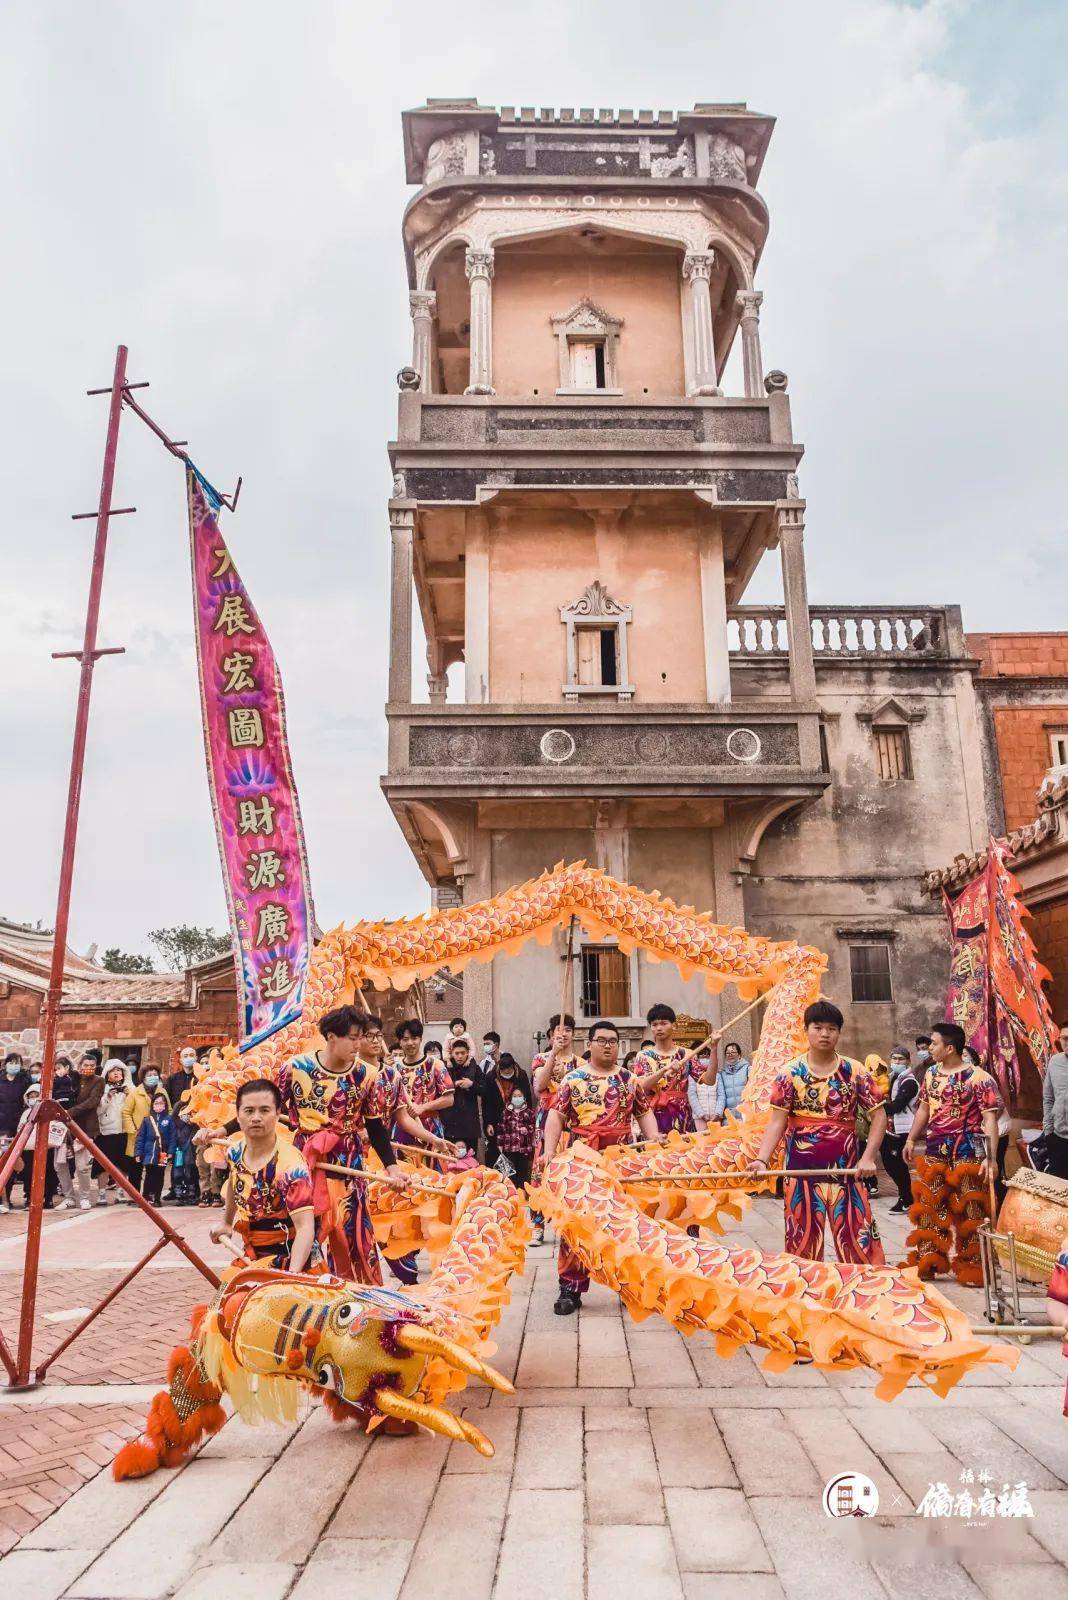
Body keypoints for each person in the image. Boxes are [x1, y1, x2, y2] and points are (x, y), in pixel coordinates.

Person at [747, 999, 887, 1266]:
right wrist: (762, 1159)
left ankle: (865, 1293)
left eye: (832, 1028)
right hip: (801, 1173)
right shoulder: (789, 1073)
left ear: (839, 1033)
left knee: (859, 1240)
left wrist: (868, 1157)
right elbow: (777, 1121)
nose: (825, 1034)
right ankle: (807, 1296)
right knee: (802, 1243)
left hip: (847, 1171)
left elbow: (879, 1116)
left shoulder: (855, 1071)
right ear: (806, 1030)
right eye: (818, 1027)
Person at [274, 1006, 408, 1284]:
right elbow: (267, 1107)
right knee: (303, 1236)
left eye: (361, 1038)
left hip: (349, 1167)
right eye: (353, 1037)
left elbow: (374, 1125)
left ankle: (359, 1299)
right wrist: (222, 1129)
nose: (358, 1044)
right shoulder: (295, 1068)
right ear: (331, 1037)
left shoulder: (367, 1076)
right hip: (305, 1165)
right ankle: (302, 1291)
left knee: (356, 1240)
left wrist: (392, 1168)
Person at [543, 1019, 660, 1314]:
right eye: (602, 1040)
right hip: (581, 1155)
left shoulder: (629, 1080)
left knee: (625, 1221)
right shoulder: (573, 1079)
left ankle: (629, 1284)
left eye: (612, 1041)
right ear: (589, 1044)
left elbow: (644, 1113)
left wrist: (656, 1142)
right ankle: (570, 1287)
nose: (608, 1045)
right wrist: (548, 1153)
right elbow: (555, 1116)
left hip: (621, 1157)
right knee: (576, 1221)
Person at [904, 1021, 1001, 1285]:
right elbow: (924, 1108)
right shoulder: (931, 1074)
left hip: (967, 1151)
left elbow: (990, 1119)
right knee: (929, 1205)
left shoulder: (979, 1078)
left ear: (949, 1048)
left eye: (934, 1044)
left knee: (970, 1210)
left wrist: (991, 1158)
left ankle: (972, 1267)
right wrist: (911, 1139)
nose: (929, 1048)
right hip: (936, 1149)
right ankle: (928, 1261)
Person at [211, 1078, 316, 1272]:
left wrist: (292, 1276)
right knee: (224, 1300)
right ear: (238, 1115)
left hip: (290, 1257)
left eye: (264, 1110)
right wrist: (226, 1222)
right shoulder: (235, 1152)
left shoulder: (292, 1166)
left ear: (277, 1114)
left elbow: (305, 1228)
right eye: (249, 1111)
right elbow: (236, 1181)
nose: (256, 1118)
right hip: (251, 1256)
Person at [530, 1012, 580, 1247]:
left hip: (571, 1122)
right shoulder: (541, 1058)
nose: (564, 1035)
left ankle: (569, 1225)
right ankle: (538, 1225)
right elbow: (540, 1085)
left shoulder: (581, 1063)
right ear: (551, 1036)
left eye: (568, 1031)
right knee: (541, 1172)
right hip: (546, 1120)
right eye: (559, 1032)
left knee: (570, 1172)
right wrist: (553, 1056)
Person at [637, 1004, 719, 1136]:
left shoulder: (686, 1054)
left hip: (682, 1115)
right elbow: (643, 1087)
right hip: (653, 1116)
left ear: (673, 1025)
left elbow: (709, 1080)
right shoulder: (644, 1056)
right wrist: (665, 1069)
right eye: (654, 1024)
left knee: (683, 1154)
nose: (659, 1028)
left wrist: (714, 1048)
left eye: (664, 1023)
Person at [394, 1019, 455, 1146]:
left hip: (431, 1127)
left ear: (421, 1039)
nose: (410, 1043)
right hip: (403, 1129)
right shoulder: (395, 1070)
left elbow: (449, 1099)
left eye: (414, 1038)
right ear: (400, 1042)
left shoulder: (435, 1065)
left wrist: (422, 1107)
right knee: (404, 1165)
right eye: (405, 1039)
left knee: (433, 1164)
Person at [881, 1047, 918, 1212]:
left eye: (900, 1059)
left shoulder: (909, 1082)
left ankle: (906, 1198)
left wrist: (877, 1107)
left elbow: (897, 1106)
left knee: (897, 1164)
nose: (896, 1062)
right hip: (892, 1128)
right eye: (894, 1059)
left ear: (908, 1061)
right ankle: (905, 1196)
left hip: (905, 1128)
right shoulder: (893, 1078)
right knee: (889, 1162)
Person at [123, 1067, 171, 1194]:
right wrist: (133, 1130)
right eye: (150, 1075)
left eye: (155, 1074)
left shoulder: (162, 1092)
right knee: (135, 1169)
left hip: (157, 1138)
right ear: (143, 1077)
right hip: (138, 1136)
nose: (153, 1077)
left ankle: (151, 1195)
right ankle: (134, 1195)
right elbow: (126, 1112)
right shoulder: (135, 1092)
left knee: (155, 1169)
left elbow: (169, 1111)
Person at [18, 1084, 65, 1208]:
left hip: (47, 1148)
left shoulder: (52, 1112)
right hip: (29, 1148)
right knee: (29, 1174)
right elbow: (20, 1130)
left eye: (36, 1096)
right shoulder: (26, 1113)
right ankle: (29, 1196)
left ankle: (48, 1197)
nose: (33, 1099)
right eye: (30, 1096)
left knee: (49, 1172)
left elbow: (57, 1128)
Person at [482, 1053, 533, 1168]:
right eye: (504, 1072)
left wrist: (527, 1120)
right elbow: (486, 1102)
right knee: (495, 1153)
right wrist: (488, 1123)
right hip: (497, 1119)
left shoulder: (521, 1075)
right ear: (500, 1068)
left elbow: (527, 1098)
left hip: (517, 1120)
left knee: (517, 1155)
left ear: (513, 1067)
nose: (506, 1074)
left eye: (509, 1072)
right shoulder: (491, 1077)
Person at [68, 1056, 105, 1209]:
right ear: (80, 1065)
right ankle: (68, 1196)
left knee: (83, 1166)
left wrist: (69, 1112)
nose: (88, 1067)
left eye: (92, 1065)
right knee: (62, 1165)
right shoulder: (73, 1079)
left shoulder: (98, 1081)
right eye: (85, 1064)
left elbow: (92, 1102)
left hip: (86, 1127)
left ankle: (84, 1197)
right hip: (67, 1127)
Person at [441, 1037, 484, 1159]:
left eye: (463, 1053)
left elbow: (484, 1090)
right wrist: (453, 1085)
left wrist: (472, 1085)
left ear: (467, 1053)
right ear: (451, 1053)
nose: (460, 1056)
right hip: (450, 1124)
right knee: (449, 1161)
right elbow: (438, 1090)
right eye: (457, 1053)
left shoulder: (474, 1068)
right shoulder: (445, 1068)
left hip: (469, 1125)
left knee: (471, 1162)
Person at [95, 1060, 131, 1204]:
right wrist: (108, 1097)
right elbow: (97, 1111)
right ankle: (102, 1193)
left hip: (123, 1130)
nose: (116, 1073)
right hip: (106, 1131)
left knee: (123, 1164)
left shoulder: (130, 1088)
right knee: (103, 1165)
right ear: (107, 1073)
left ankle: (120, 1192)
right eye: (113, 1070)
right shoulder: (102, 1089)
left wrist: (129, 1095)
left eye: (119, 1070)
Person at [495, 1071, 536, 1190]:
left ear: (523, 1098)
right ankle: (512, 1194)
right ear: (511, 1098)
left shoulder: (529, 1113)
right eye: (515, 1096)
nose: (517, 1098)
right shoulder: (506, 1112)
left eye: (519, 1096)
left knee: (523, 1173)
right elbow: (501, 1128)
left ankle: (522, 1195)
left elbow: (533, 1126)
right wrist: (500, 1144)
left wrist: (527, 1129)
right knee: (510, 1174)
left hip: (524, 1148)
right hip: (509, 1148)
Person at [0, 1053, 30, 1212]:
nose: (14, 1065)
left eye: (17, 1062)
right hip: (1, 1127)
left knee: (14, 1164)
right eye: (11, 1062)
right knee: (2, 1163)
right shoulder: (0, 1080)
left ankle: (11, 1198)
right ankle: (3, 1200)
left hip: (18, 1127)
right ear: (5, 1064)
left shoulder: (23, 1081)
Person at [134, 1093, 176, 1206]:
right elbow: (140, 1138)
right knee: (149, 1175)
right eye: (156, 1103)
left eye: (161, 1103)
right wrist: (138, 1153)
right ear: (152, 1105)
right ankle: (146, 1197)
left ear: (165, 1105)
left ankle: (156, 1198)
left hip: (162, 1153)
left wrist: (171, 1151)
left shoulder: (169, 1119)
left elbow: (173, 1136)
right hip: (148, 1153)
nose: (158, 1105)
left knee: (160, 1175)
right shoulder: (147, 1120)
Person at [1042, 1021, 1068, 1180]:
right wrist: (1048, 1130)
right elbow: (1048, 1098)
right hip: (1058, 1139)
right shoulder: (1055, 1062)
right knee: (1060, 1188)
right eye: (1064, 1038)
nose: (1066, 1042)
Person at [713, 1041, 750, 1123]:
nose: (730, 1054)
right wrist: (719, 1114)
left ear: (739, 1055)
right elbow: (721, 1096)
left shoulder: (748, 1069)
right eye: (728, 1053)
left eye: (733, 1052)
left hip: (745, 1114)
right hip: (729, 1116)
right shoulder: (722, 1073)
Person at [171, 1099, 200, 1205]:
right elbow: (174, 1113)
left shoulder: (194, 1126)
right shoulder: (176, 1124)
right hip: (179, 1150)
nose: (186, 1115)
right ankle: (179, 1194)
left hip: (190, 1152)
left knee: (190, 1172)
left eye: (188, 1113)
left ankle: (191, 1193)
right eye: (184, 1113)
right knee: (178, 1172)